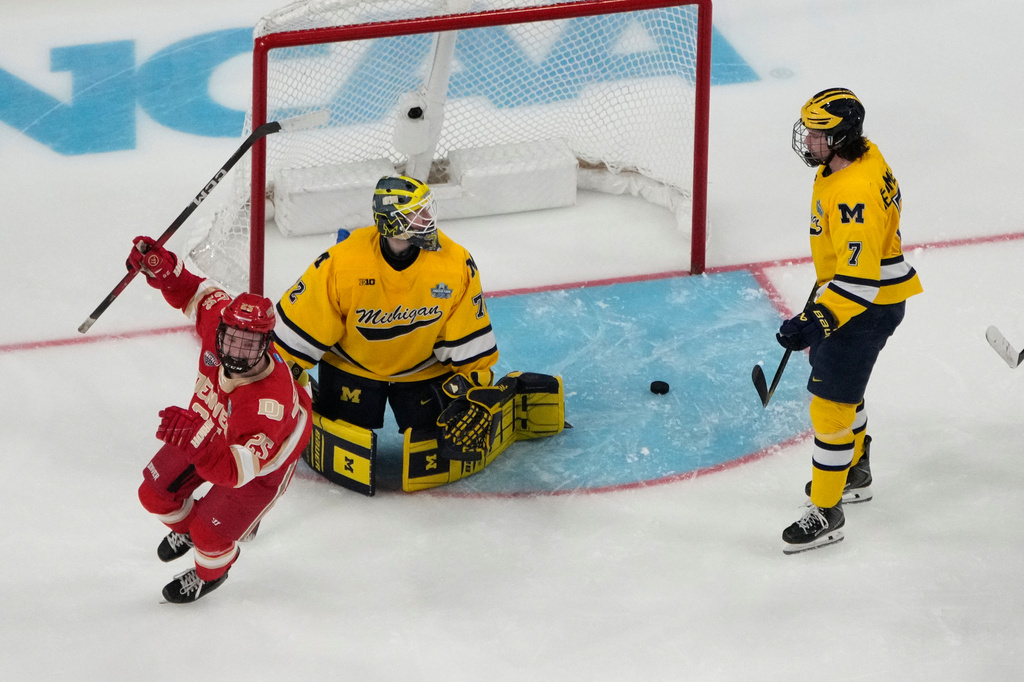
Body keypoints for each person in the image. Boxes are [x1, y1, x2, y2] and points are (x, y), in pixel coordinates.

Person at [273, 175, 562, 493]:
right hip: (351, 367)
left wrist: (476, 391)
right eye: (417, 214)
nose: (428, 220)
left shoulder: (454, 264)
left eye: (428, 211)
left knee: (438, 437)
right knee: (346, 440)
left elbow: (468, 335)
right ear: (392, 222)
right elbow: (297, 331)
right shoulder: (342, 263)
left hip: (423, 370)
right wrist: (277, 381)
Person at [777, 88, 923, 554]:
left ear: (841, 137)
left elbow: (860, 283)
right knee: (841, 389)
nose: (808, 141)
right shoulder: (861, 156)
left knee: (830, 406)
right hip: (853, 293)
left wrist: (814, 321)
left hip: (865, 306)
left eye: (818, 134)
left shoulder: (853, 193)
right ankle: (855, 467)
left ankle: (827, 509)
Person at [128, 236, 313, 603]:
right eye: (230, 341)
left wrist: (198, 441)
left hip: (260, 467)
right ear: (222, 331)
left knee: (210, 536)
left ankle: (211, 573)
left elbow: (237, 472)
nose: (235, 353)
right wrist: (164, 270)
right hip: (210, 432)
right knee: (153, 493)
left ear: (267, 344)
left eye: (248, 346)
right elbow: (196, 293)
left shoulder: (268, 403)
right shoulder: (219, 323)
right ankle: (187, 530)